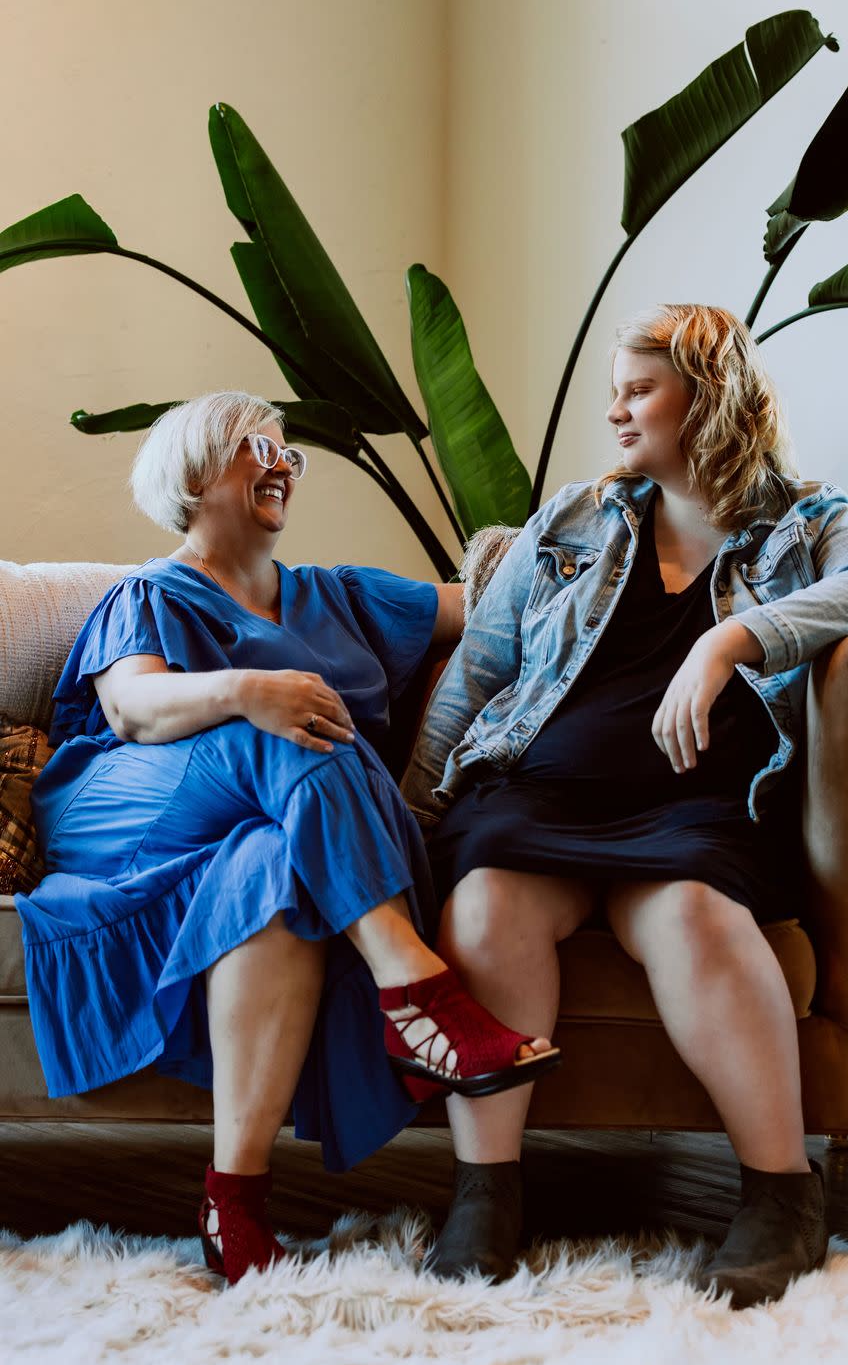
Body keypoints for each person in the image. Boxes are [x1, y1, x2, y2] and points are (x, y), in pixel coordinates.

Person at [401, 304, 848, 1309]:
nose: (615, 411)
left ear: (709, 394)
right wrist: (413, 814)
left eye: (638, 388)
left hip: (696, 815)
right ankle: (486, 1191)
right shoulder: (575, 518)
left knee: (695, 917)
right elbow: (479, 673)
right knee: (485, 908)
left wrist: (730, 640)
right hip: (535, 799)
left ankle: (779, 1194)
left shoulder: (805, 519)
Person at [15, 391, 559, 1285]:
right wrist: (243, 692)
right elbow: (132, 708)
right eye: (253, 451)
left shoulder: (340, 598)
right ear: (195, 478)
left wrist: (631, 550)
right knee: (293, 718)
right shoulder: (149, 590)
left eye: (288, 455)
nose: (282, 466)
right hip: (129, 809)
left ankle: (235, 1202)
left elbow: (498, 610)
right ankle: (419, 995)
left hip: (274, 828)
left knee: (274, 869)